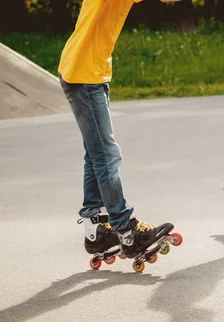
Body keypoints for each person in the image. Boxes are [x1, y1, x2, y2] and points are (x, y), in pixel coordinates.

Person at [57, 0, 181, 270]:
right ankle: (126, 231)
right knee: (106, 156)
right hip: (84, 75)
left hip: (89, 72)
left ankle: (97, 231)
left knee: (96, 155)